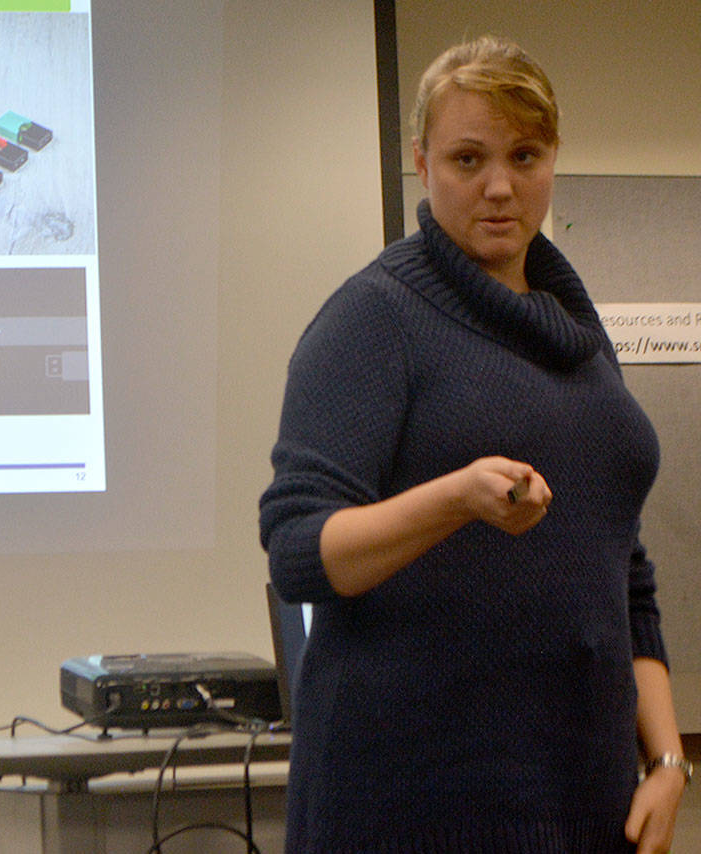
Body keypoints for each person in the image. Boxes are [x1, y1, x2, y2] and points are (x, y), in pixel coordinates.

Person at [258, 35, 690, 853]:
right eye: (467, 158)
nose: (499, 187)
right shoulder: (373, 319)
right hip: (413, 808)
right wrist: (454, 499)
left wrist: (667, 761)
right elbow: (300, 553)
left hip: (583, 798)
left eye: (524, 155)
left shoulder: (577, 331)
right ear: (422, 163)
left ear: (553, 159)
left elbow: (623, 573)